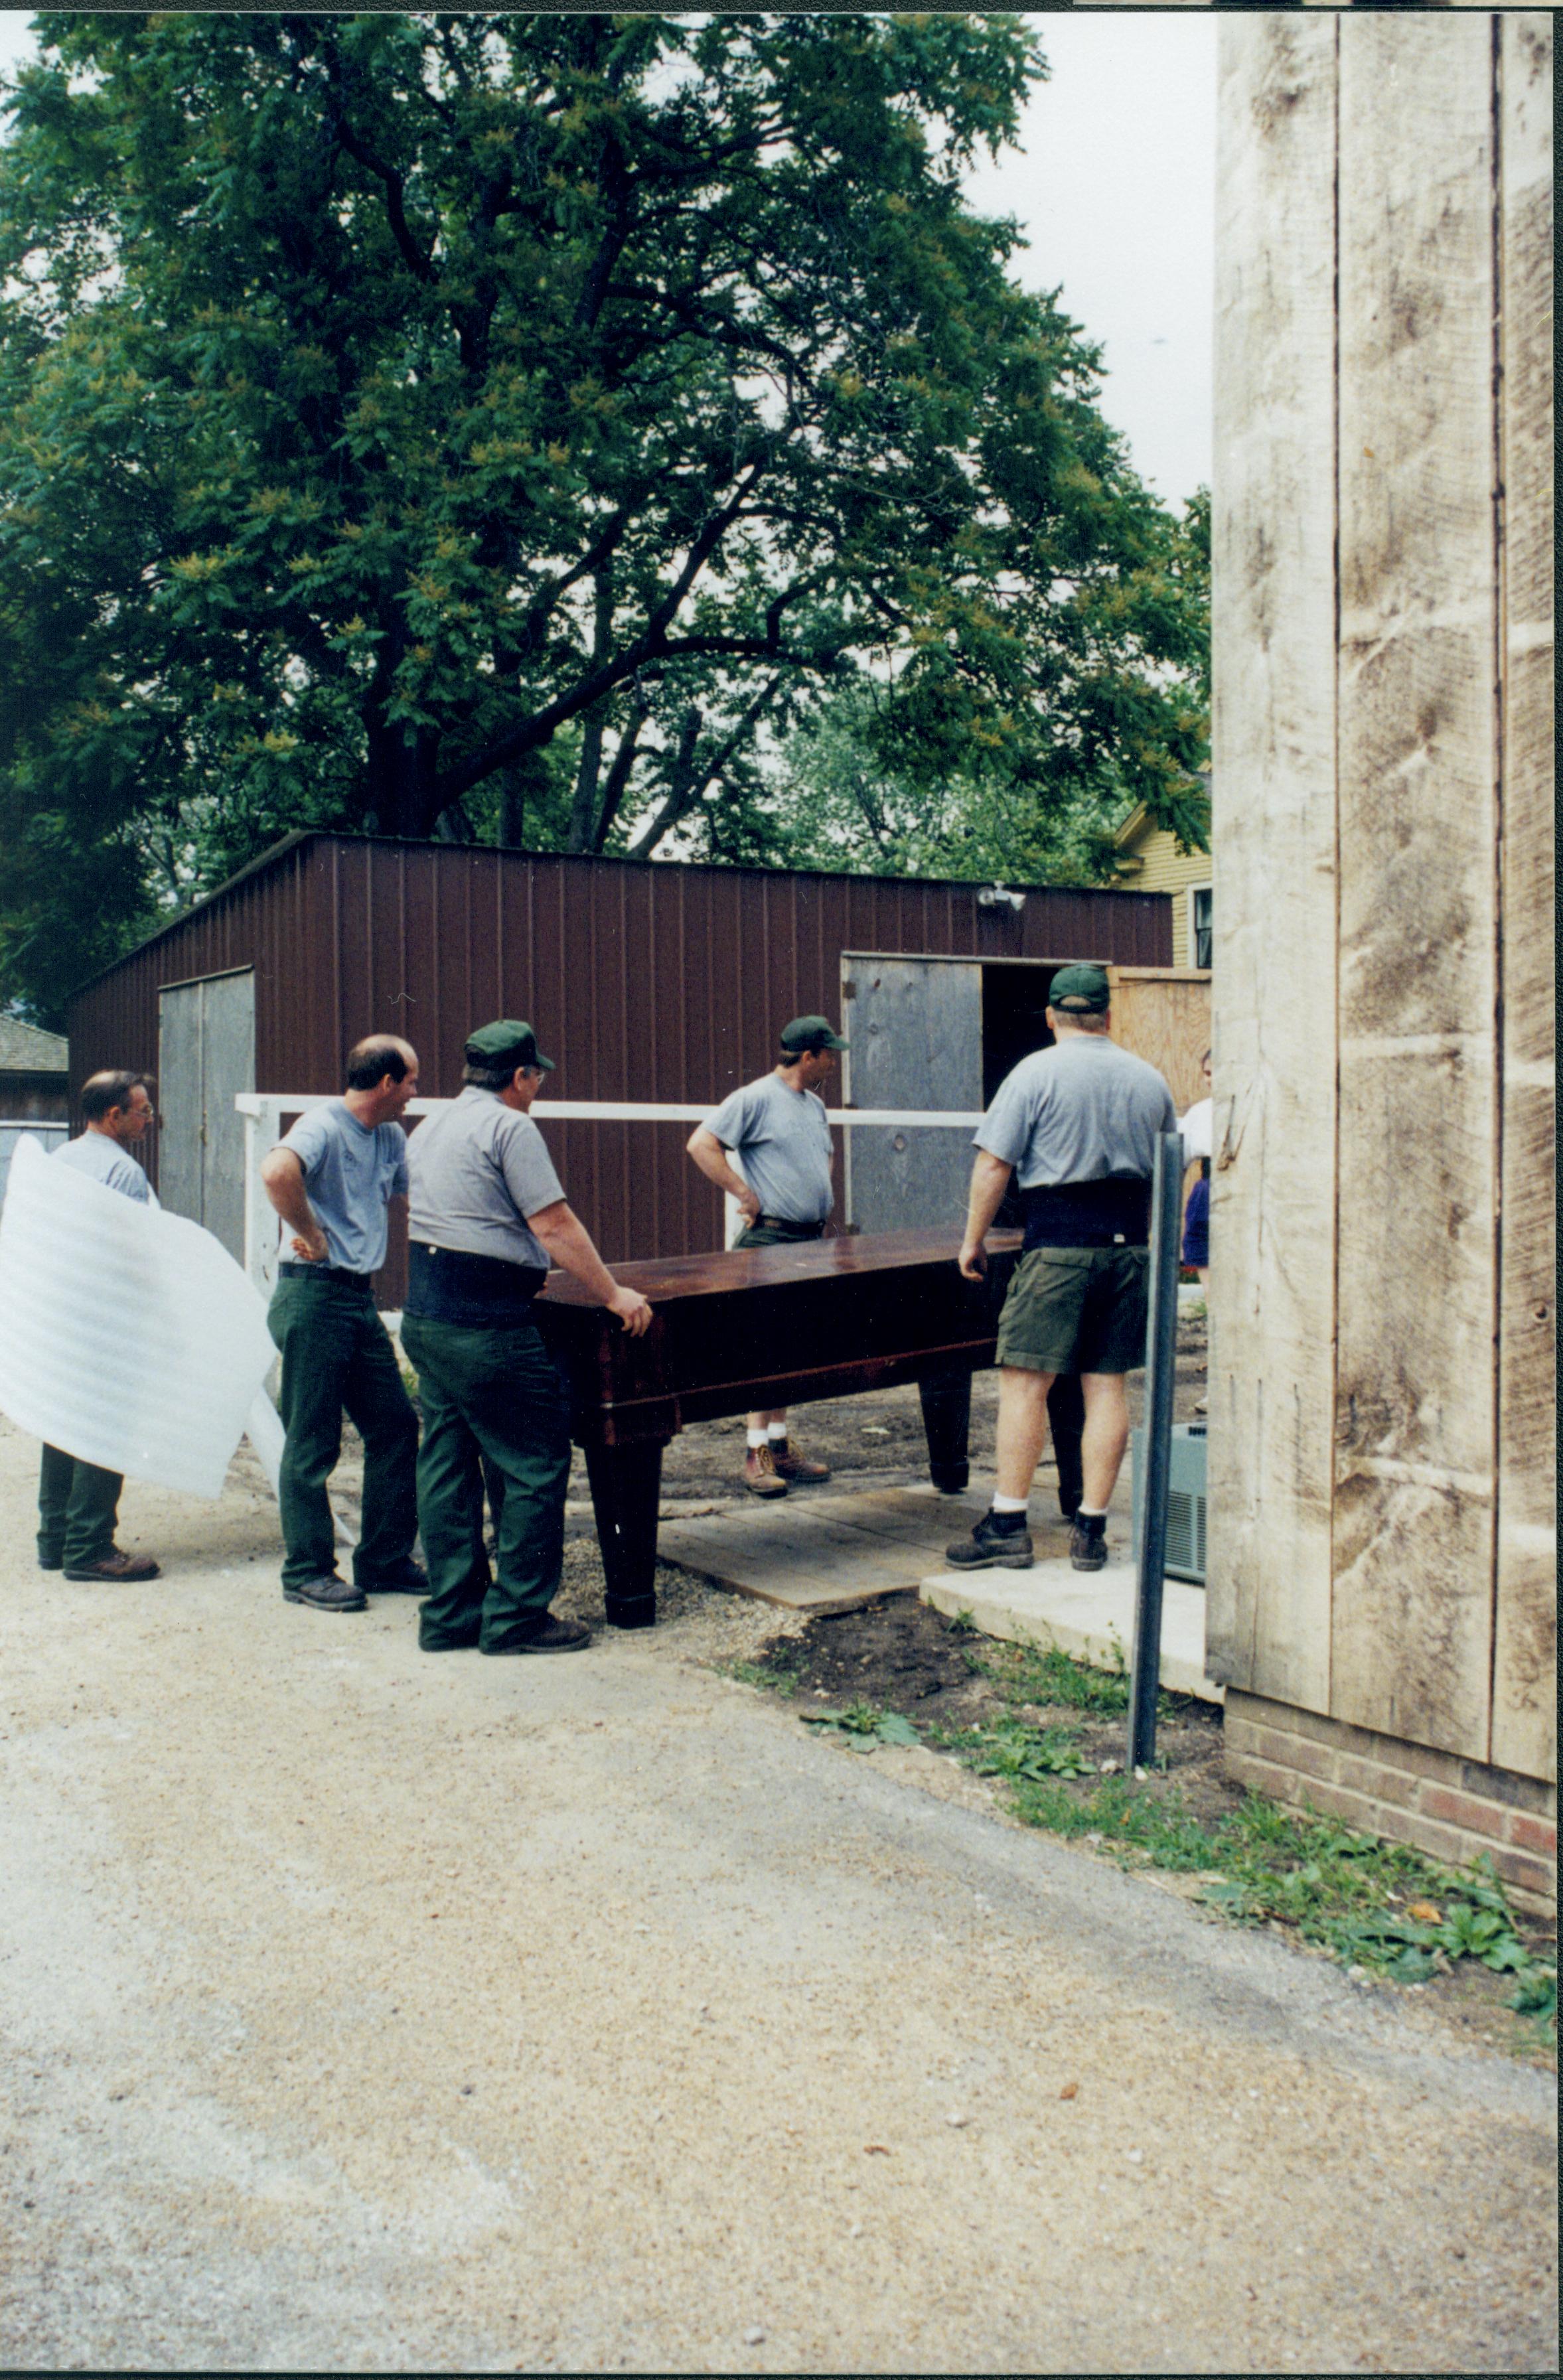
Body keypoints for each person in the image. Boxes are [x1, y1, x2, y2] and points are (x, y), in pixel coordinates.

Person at [401, 1019, 652, 1656]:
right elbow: (554, 1224)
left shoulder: (430, 1126)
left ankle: (451, 1613)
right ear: (519, 1077)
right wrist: (612, 1293)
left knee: (447, 1465)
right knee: (535, 1463)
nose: (536, 1088)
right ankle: (517, 1617)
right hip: (488, 1323)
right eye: (534, 1076)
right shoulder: (510, 1127)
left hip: (429, 1314)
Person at [946, 964, 1175, 1575]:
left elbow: (995, 1165)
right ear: (1108, 1015)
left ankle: (1008, 1524)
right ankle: (1091, 1531)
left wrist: (973, 1240)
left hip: (1058, 1245)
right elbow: (1169, 1171)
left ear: (1050, 1017)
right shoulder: (1150, 1079)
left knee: (1026, 1382)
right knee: (1106, 1384)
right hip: (1130, 1247)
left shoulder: (1033, 1072)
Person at [260, 1037, 424, 1615]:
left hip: (356, 1299)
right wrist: (311, 1229)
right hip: (313, 1296)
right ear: (385, 1082)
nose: (413, 1093)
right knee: (312, 1441)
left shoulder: (390, 1136)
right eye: (410, 1082)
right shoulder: (323, 1125)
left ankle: (382, 1560)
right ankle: (306, 1571)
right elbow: (278, 1171)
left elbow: (419, 1191)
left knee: (396, 1427)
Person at [686, 1013, 848, 1497]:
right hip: (770, 1241)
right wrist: (743, 1191)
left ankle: (779, 1446)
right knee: (764, 1347)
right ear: (808, 1056)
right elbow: (701, 1143)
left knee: (793, 1347)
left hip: (807, 1241)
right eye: (829, 1054)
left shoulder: (814, 1105)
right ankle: (754, 1452)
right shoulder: (756, 1097)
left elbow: (824, 1155)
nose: (834, 1063)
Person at [37, 1071, 163, 1582]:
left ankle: (55, 1539)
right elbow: (133, 1255)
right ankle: (90, 1547)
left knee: (64, 1424)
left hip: (61, 1311)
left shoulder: (59, 1161)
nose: (150, 1120)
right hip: (105, 1317)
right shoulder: (123, 1172)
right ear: (114, 1116)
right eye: (143, 1111)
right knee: (106, 1428)